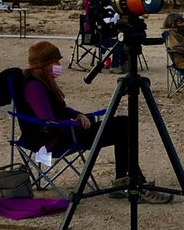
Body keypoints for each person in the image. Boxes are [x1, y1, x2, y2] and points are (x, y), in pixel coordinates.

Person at [20, 41, 171, 202]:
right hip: (56, 138)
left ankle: (125, 180)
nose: (58, 66)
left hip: (65, 131)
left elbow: (59, 110)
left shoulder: (42, 82)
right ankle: (134, 183)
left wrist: (78, 114)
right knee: (123, 129)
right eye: (55, 62)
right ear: (43, 65)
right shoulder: (34, 87)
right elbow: (48, 119)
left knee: (125, 123)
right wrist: (77, 124)